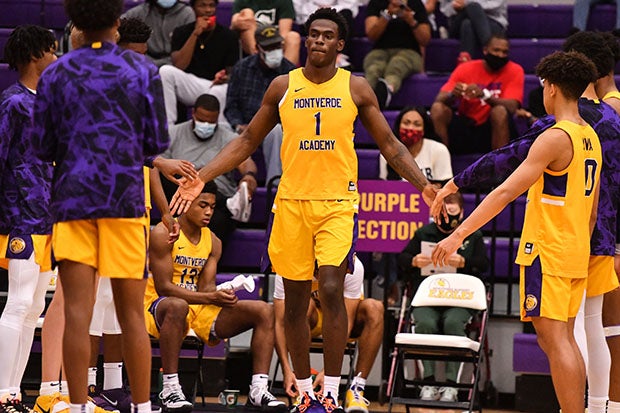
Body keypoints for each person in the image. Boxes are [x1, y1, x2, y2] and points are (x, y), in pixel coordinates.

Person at [169, 8, 436, 413]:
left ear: (340, 44)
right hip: (291, 204)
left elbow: (391, 146)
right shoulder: (282, 85)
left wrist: (425, 187)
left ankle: (331, 388)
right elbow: (246, 142)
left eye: (327, 36)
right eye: (312, 34)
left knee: (330, 287)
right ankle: (305, 390)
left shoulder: (357, 88)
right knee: (293, 304)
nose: (317, 41)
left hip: (337, 204)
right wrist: (202, 175)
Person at [430, 50, 601, 413]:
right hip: (573, 249)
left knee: (555, 341)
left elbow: (506, 191)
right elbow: (593, 208)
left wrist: (458, 233)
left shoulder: (556, 137)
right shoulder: (591, 137)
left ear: (552, 88)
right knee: (565, 340)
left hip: (548, 249)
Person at [30, 2, 169, 413]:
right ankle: (143, 408)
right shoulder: (144, 71)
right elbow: (155, 143)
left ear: (75, 22)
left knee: (77, 314)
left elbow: (41, 147)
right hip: (125, 202)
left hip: (73, 201)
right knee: (130, 314)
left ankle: (75, 407)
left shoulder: (55, 73)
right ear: (116, 23)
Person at [146, 181, 286, 413]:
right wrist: (210, 297)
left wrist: (222, 293)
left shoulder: (214, 241)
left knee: (264, 310)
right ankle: (170, 387)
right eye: (203, 205)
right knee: (177, 305)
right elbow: (164, 288)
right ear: (185, 202)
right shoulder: (163, 233)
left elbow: (207, 286)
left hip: (197, 306)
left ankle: (258, 389)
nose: (209, 211)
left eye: (212, 206)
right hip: (159, 306)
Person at [0, 24, 57, 412]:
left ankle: (15, 392)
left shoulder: (46, 101)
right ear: (36, 55)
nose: (56, 57)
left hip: (47, 216)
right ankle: (3, 392)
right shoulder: (13, 102)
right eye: (52, 51)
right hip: (20, 214)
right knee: (18, 304)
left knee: (35, 306)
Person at [397, 192, 488, 402]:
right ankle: (426, 383)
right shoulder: (423, 233)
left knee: (453, 323)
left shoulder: (473, 235)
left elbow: (484, 264)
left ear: (462, 213)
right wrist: (414, 261)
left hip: (460, 299)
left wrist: (465, 263)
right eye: (443, 215)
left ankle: (451, 386)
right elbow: (401, 258)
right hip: (430, 297)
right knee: (424, 323)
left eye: (453, 215)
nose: (448, 220)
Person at [272, 256, 384, 413]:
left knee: (375, 308)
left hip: (340, 319)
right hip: (311, 318)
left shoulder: (352, 265)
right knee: (301, 306)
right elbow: (280, 322)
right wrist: (286, 369)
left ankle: (356, 388)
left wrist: (327, 372)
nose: (318, 277)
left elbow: (348, 319)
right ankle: (304, 385)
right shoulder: (290, 262)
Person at [161, 94, 258, 246]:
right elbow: (160, 166)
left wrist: (249, 176)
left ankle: (225, 205)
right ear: (193, 113)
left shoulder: (229, 138)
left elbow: (247, 163)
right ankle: (228, 204)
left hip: (214, 198)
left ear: (218, 118)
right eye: (202, 120)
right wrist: (192, 174)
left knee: (218, 218)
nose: (206, 124)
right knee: (184, 176)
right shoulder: (174, 133)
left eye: (211, 121)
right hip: (180, 194)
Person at [225, 23, 296, 185]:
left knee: (277, 131)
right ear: (257, 48)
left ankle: (275, 185)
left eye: (277, 46)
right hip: (245, 125)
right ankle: (226, 186)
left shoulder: (291, 72)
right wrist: (238, 125)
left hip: (275, 128)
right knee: (222, 129)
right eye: (269, 47)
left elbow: (294, 112)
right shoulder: (242, 68)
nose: (274, 51)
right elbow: (231, 104)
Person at [430, 33, 523, 154]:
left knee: (499, 111)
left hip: (490, 129)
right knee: (437, 108)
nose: (500, 55)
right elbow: (439, 98)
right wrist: (453, 94)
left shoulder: (515, 70)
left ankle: (500, 169)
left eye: (504, 52)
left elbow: (512, 106)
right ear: (485, 50)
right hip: (465, 127)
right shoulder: (466, 68)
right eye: (496, 50)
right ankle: (441, 162)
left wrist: (485, 95)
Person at [160, 0, 239, 125]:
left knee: (220, 91)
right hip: (191, 85)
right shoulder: (181, 32)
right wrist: (196, 33)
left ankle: (223, 132)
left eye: (211, 6)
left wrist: (224, 77)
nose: (208, 10)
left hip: (216, 85)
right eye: (202, 5)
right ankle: (168, 127)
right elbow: (179, 65)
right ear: (193, 8)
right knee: (165, 71)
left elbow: (233, 73)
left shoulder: (229, 36)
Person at [363, 0, 431, 110]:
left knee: (397, 64)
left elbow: (425, 39)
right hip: (380, 50)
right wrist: (387, 15)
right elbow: (371, 35)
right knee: (373, 68)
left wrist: (411, 20)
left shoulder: (416, 4)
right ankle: (365, 100)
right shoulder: (376, 3)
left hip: (410, 52)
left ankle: (386, 91)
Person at [379, 106, 452, 184]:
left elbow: (445, 187)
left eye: (417, 124)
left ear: (424, 130)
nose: (410, 128)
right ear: (399, 126)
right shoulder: (387, 151)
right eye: (406, 123)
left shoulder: (438, 149)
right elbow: (384, 187)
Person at [123, 0, 195, 67]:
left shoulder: (187, 13)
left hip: (174, 65)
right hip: (144, 62)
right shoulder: (140, 11)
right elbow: (116, 28)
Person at [230, 0, 300, 65]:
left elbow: (284, 33)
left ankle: (286, 74)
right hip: (255, 43)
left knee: (293, 36)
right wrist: (245, 22)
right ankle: (259, 61)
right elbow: (233, 25)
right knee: (247, 13)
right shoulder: (242, 1)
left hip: (276, 41)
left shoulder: (284, 1)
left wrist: (273, 47)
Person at [292, 0, 358, 69]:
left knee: (346, 14)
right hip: (308, 14)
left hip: (338, 13)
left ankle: (339, 57)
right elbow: (297, 6)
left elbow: (350, 5)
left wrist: (329, 10)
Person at [438, 0, 507, 59]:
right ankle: (489, 49)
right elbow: (444, 8)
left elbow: (496, 4)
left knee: (468, 24)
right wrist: (454, 6)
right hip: (459, 19)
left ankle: (464, 66)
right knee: (473, 7)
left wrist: (467, 3)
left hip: (492, 20)